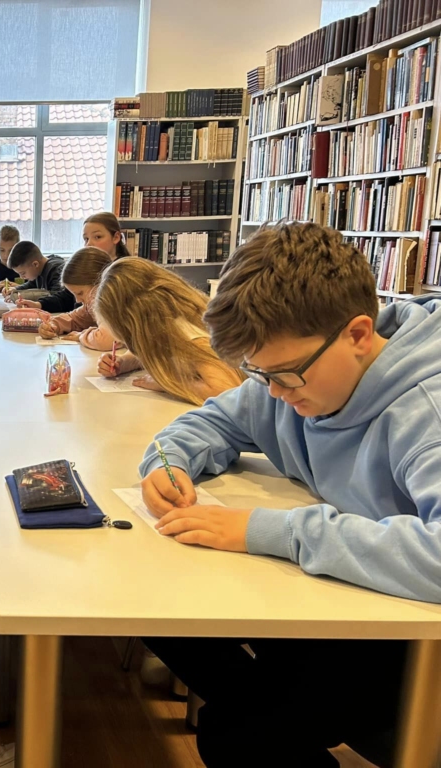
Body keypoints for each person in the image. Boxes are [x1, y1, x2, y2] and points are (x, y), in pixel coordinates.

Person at [137, 222, 433, 767]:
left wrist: (271, 531)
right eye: (257, 373)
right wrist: (167, 461)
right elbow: (210, 422)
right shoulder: (292, 373)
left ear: (358, 335)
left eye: (285, 376)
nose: (272, 392)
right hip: (348, 605)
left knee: (239, 735)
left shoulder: (425, 412)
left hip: (414, 645)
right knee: (156, 610)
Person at [93, 258, 243, 404]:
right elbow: (150, 348)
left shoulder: (188, 333)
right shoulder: (170, 321)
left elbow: (226, 390)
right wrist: (123, 363)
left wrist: (167, 383)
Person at [37, 247, 117, 351]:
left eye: (80, 293)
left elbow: (105, 340)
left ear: (102, 285)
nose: (77, 300)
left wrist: (81, 336)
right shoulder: (91, 305)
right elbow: (73, 319)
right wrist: (52, 325)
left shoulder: (113, 304)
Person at [3, 241, 75, 312]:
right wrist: (16, 289)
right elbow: (33, 283)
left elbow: (60, 299)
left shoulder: (57, 270)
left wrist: (37, 304)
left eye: (23, 273)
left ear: (35, 264)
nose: (21, 277)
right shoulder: (39, 269)